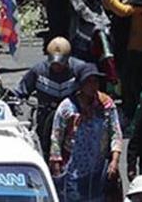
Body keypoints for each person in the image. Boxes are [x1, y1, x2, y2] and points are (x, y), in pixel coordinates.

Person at [50, 67, 122, 201]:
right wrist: (56, 166)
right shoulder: (67, 107)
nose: (93, 86)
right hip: (72, 171)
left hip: (98, 170)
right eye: (88, 82)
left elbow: (115, 133)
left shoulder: (106, 105)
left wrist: (114, 161)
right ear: (80, 85)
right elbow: (56, 136)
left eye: (95, 81)